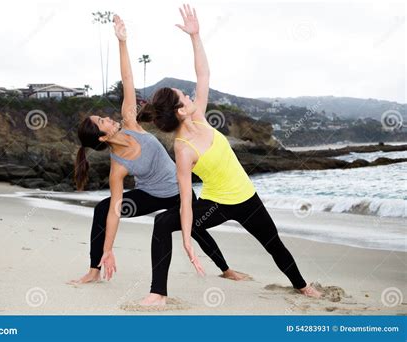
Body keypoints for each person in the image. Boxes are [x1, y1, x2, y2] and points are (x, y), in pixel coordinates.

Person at [138, 5, 322, 305]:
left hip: (246, 198)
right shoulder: (183, 149)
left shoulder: (198, 116)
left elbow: (203, 72)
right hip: (216, 205)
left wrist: (195, 36)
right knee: (162, 223)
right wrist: (185, 238)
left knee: (273, 243)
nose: (189, 95)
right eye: (184, 96)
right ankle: (157, 292)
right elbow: (185, 200)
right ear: (179, 110)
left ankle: (302, 286)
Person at [71, 15, 245, 284]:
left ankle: (226, 268)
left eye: (103, 116)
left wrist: (122, 42)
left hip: (176, 190)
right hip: (150, 195)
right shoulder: (118, 168)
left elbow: (127, 78)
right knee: (103, 209)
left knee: (196, 225)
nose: (107, 118)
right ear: (103, 138)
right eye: (101, 122)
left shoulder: (130, 121)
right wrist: (108, 250)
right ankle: (94, 268)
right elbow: (116, 210)